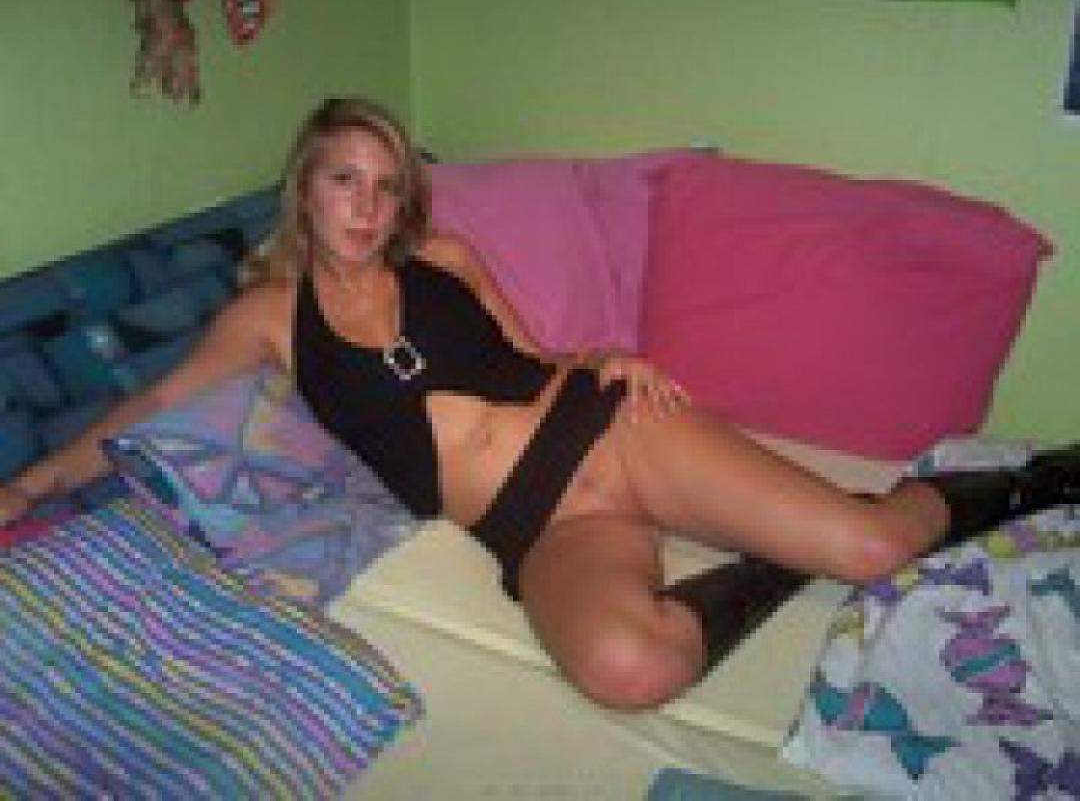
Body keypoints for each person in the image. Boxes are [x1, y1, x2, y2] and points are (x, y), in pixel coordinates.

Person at [2, 96, 1077, 710]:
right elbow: (156, 400)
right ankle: (769, 560)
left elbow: (536, 354)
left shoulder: (445, 258)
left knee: (876, 546)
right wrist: (32, 485)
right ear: (306, 189)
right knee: (630, 668)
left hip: (608, 430)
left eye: (386, 184)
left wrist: (610, 358)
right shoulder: (269, 317)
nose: (368, 206)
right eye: (345, 180)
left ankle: (1040, 476)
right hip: (535, 525)